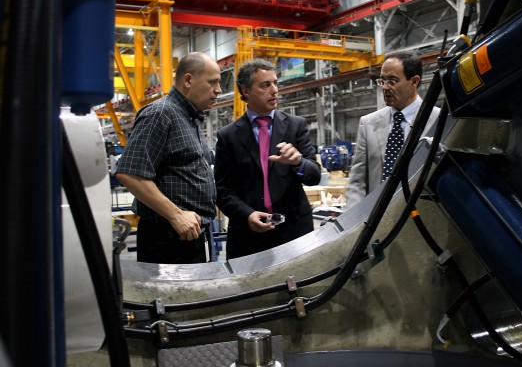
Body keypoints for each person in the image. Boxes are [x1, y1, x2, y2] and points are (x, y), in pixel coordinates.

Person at [115, 52, 221, 264]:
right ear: (188, 80)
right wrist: (176, 215)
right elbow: (129, 172)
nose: (218, 90)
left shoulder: (190, 117)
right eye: (212, 82)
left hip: (190, 233)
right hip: (167, 238)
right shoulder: (161, 113)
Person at [214, 58, 321, 259]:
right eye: (265, 85)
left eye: (275, 83)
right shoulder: (228, 136)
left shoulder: (295, 126)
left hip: (294, 230)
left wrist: (299, 162)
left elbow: (314, 176)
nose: (274, 90)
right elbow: (222, 189)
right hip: (249, 234)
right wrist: (247, 214)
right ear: (246, 91)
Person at [345, 51, 440, 209]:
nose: (385, 87)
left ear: (414, 81)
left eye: (393, 81)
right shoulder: (368, 124)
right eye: (382, 81)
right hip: (375, 219)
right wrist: (352, 219)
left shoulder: (438, 120)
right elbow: (357, 182)